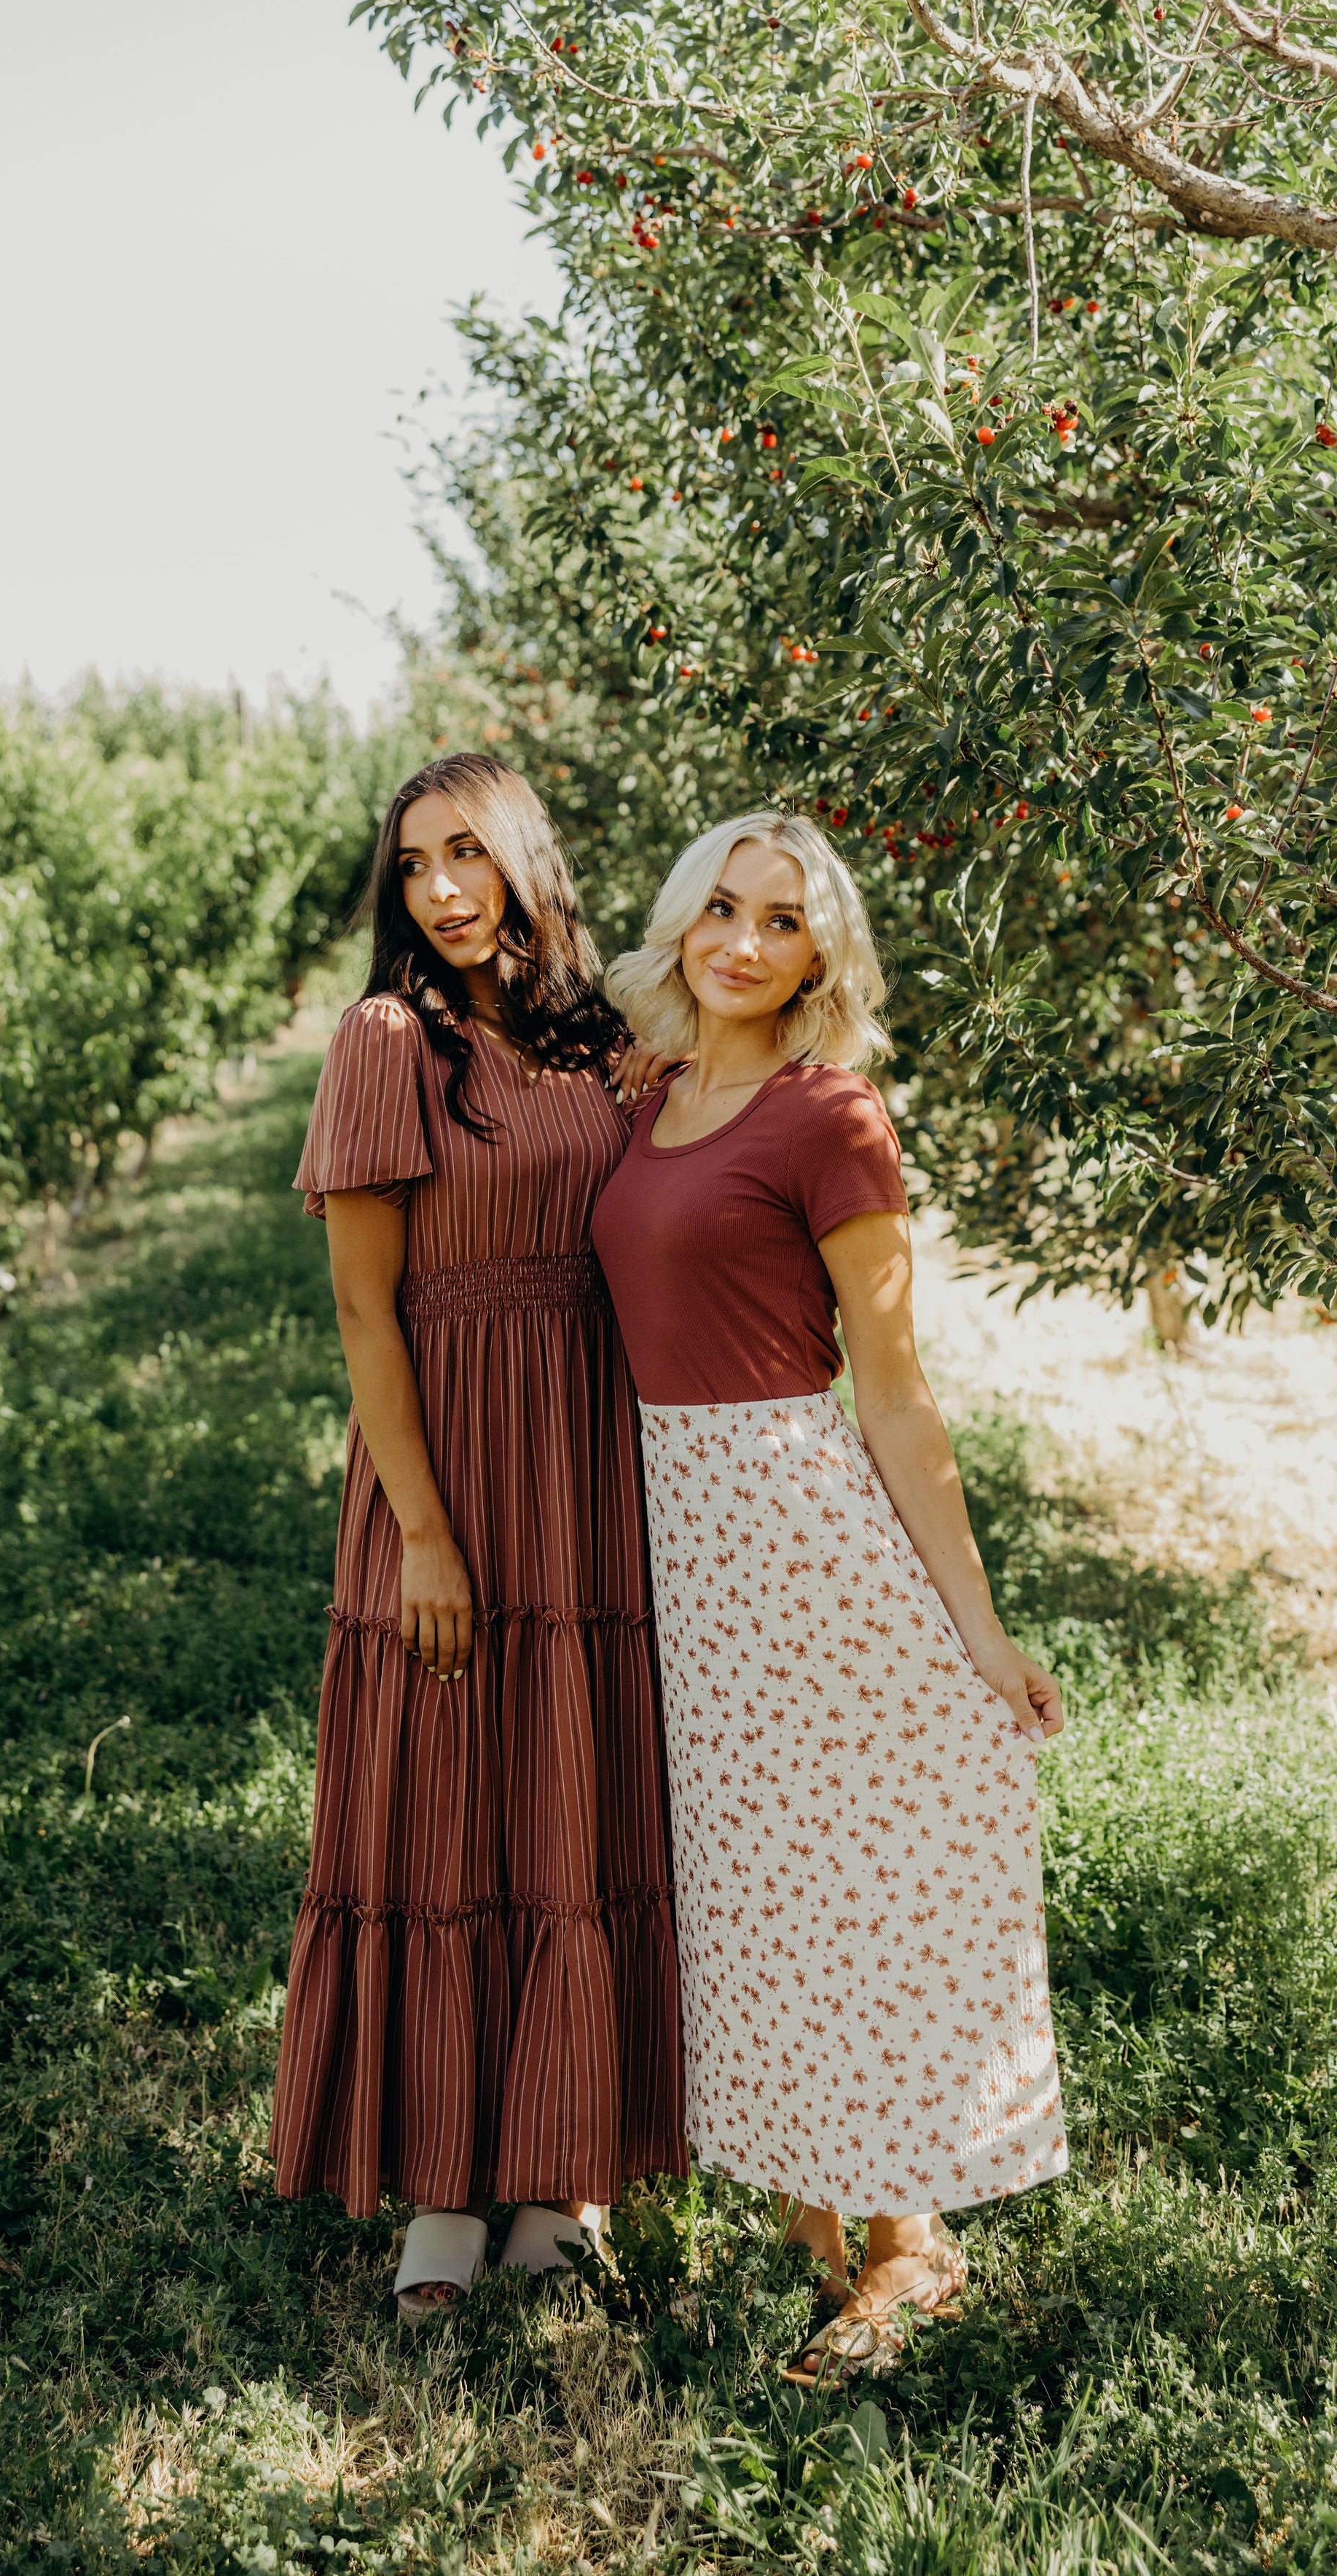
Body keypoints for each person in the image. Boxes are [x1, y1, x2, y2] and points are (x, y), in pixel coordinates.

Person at [591, 810, 1068, 2387]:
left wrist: (977, 1632)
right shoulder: (651, 1095)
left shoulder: (831, 1118)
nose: (741, 939)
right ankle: (820, 2199)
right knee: (755, 1882)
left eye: (781, 921)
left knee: (854, 1871)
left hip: (798, 1535)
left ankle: (909, 2244)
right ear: (681, 921)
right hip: (681, 1539)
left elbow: (899, 1395)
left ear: (820, 953)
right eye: (720, 908)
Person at [268, 752, 685, 2317]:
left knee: (571, 1803)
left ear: (522, 861)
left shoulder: (608, 1047)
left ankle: (564, 2173)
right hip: (446, 1465)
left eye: (466, 856)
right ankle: (443, 2185)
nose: (441, 891)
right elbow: (366, 1315)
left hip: (588, 1468)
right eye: (414, 867)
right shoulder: (389, 1040)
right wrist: (425, 1538)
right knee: (440, 1810)